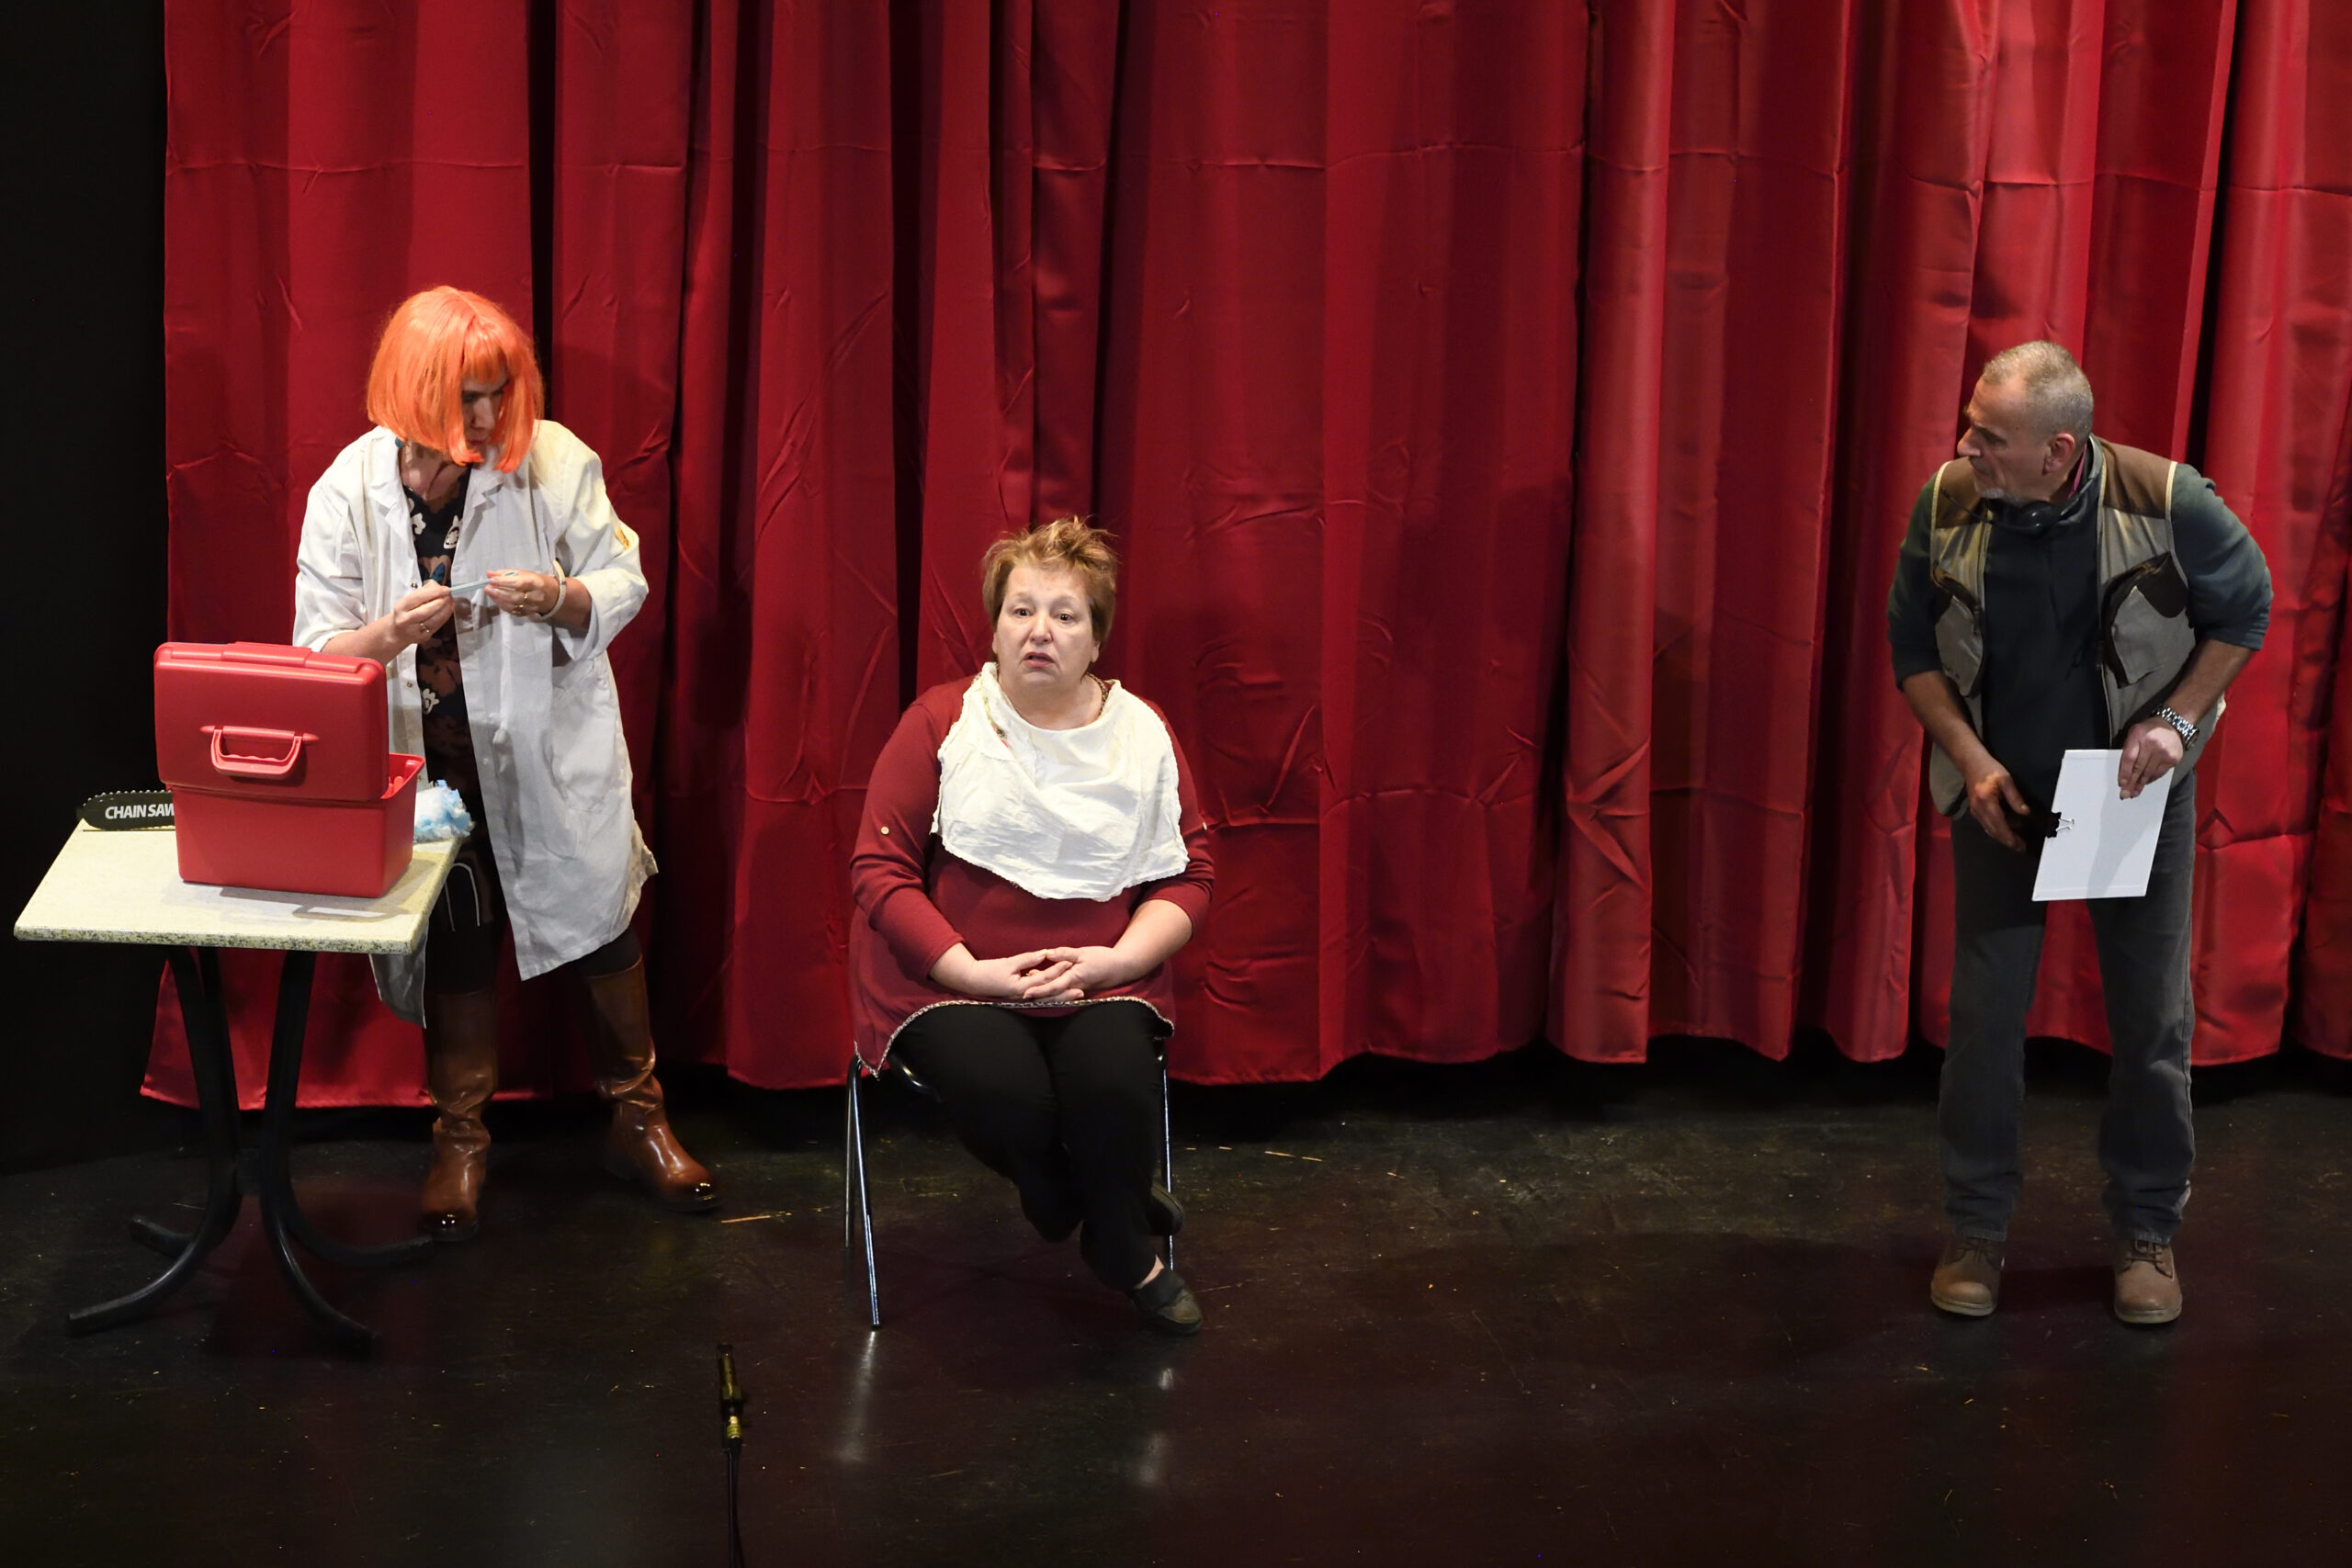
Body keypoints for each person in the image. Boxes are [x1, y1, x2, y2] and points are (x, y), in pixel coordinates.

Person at [293, 286, 716, 1239]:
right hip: (429, 775)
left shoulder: (553, 459)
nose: (487, 417)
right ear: (413, 392)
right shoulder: (348, 489)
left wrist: (561, 597)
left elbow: (624, 579)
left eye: (498, 393)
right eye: (466, 398)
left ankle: (639, 1119)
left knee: (599, 922)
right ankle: (461, 1138)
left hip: (543, 756)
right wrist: (387, 633)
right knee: (456, 931)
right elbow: (316, 650)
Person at [1886, 341, 2270, 1325]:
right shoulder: (1947, 503)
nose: (1965, 447)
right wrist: (1970, 760)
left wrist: (2175, 721)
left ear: (2058, 450)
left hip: (2126, 794)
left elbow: (2247, 609)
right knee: (1983, 1022)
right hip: (2002, 795)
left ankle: (2146, 1229)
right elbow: (1912, 649)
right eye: (1970, 426)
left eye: (1989, 436)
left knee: (2150, 1025)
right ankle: (1976, 1227)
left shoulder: (2167, 500)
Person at [849, 518, 1214, 1335]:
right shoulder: (940, 721)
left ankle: (1108, 1227)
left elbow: (1189, 876)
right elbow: (878, 870)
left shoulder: (1144, 733)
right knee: (1004, 1091)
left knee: (1113, 1084)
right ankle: (1099, 1216)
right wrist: (970, 970)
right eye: (1021, 610)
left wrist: (1115, 961)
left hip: (1100, 975)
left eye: (1064, 614)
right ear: (995, 628)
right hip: (952, 981)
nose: (1039, 630)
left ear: (1097, 641)